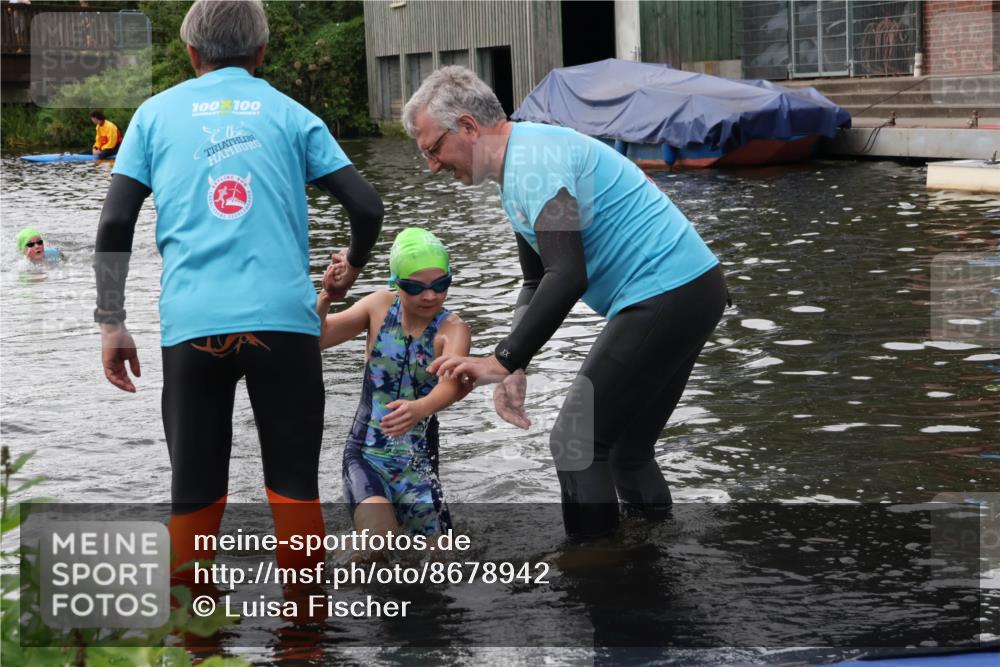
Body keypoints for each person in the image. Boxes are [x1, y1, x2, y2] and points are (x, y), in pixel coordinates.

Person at [93, 0, 383, 576]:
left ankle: (196, 645)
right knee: (295, 489)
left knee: (195, 494)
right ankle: (305, 642)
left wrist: (111, 320)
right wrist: (352, 260)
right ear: (261, 53)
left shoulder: (153, 116)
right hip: (283, 325)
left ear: (191, 52)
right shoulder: (292, 115)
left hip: (195, 324)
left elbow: (113, 223)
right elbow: (367, 205)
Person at [403, 66, 728, 539]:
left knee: (575, 443)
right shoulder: (519, 168)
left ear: (469, 127)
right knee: (626, 451)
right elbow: (537, 279)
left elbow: (567, 274)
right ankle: (654, 556)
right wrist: (514, 367)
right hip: (690, 291)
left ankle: (595, 575)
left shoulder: (534, 163)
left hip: (667, 293)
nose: (433, 165)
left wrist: (502, 358)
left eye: (434, 149)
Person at [317, 228, 470, 540]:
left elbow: (451, 385)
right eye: (416, 287)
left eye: (441, 285)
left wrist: (419, 408)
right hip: (366, 455)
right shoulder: (378, 307)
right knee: (378, 541)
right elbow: (317, 339)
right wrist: (327, 299)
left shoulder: (453, 330)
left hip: (419, 464)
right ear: (396, 283)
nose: (430, 296)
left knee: (443, 558)